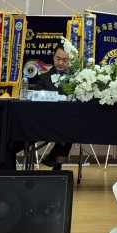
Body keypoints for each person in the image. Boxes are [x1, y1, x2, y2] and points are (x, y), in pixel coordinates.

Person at [36, 42, 74, 170]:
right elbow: (38, 102)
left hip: (70, 120)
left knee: (72, 125)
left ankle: (56, 161)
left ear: (71, 61)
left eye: (65, 60)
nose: (60, 63)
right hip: (48, 120)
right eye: (58, 58)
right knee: (70, 129)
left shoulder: (78, 79)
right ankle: (57, 164)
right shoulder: (43, 78)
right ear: (53, 57)